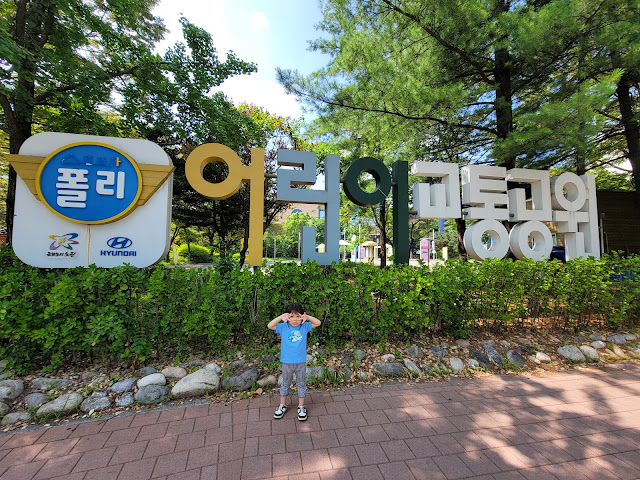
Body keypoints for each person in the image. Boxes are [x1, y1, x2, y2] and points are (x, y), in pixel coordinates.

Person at [267, 303, 321, 421]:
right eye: (291, 316)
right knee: (285, 383)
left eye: (298, 316)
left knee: (301, 384)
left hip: (300, 362)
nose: (295, 319)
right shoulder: (284, 327)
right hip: (287, 362)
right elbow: (270, 325)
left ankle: (301, 407)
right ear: (287, 317)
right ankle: (282, 405)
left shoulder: (304, 327)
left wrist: (307, 317)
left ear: (301, 317)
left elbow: (318, 323)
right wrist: (281, 317)